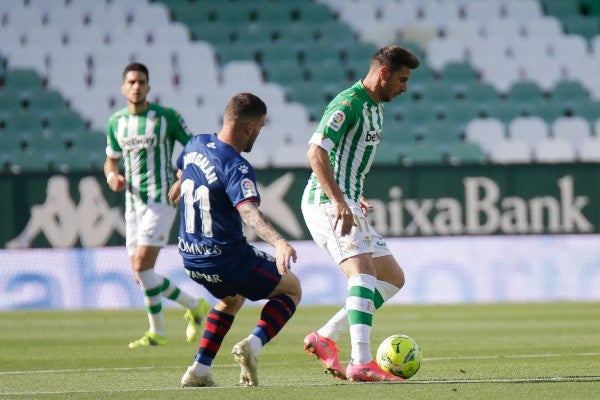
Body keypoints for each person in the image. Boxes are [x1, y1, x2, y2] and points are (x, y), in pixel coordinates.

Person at [301, 45, 420, 382]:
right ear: (383, 73)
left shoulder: (376, 108)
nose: (405, 87)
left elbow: (344, 159)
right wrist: (339, 199)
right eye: (402, 79)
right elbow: (315, 152)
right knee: (363, 273)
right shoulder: (348, 104)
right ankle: (361, 361)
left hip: (348, 200)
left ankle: (325, 336)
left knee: (392, 278)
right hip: (327, 203)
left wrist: (353, 193)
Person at [172, 93, 301, 388]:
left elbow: (183, 169)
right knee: (292, 289)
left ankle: (199, 371)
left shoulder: (196, 143)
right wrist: (279, 242)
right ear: (250, 127)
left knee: (231, 299)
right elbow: (249, 212)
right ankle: (251, 347)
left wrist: (179, 184)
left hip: (191, 257)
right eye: (261, 126)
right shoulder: (236, 165)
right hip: (226, 258)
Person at [104, 62, 209, 349]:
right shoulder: (116, 122)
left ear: (148, 87)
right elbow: (111, 159)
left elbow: (194, 151)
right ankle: (174, 320)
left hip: (162, 200)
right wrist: (112, 175)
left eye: (141, 82)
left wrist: (181, 178)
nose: (136, 86)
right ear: (123, 87)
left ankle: (179, 316)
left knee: (142, 266)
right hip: (132, 203)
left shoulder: (166, 117)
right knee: (142, 275)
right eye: (132, 82)